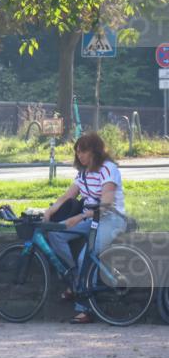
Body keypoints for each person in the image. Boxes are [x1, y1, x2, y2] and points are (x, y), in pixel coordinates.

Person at [43, 132, 128, 324]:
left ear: (95, 151)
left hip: (111, 220)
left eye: (84, 151)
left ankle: (85, 309)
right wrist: (50, 211)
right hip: (91, 219)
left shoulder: (108, 169)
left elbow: (106, 205)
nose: (80, 155)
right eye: (77, 152)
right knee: (56, 233)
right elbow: (67, 196)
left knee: (85, 258)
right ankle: (75, 281)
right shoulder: (83, 174)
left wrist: (79, 216)